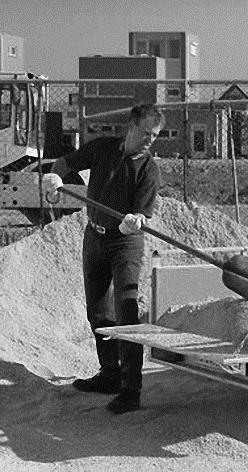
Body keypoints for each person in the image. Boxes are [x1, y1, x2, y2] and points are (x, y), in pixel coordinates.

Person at [43, 104, 164, 414]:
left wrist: (134, 219)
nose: (150, 140)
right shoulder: (102, 149)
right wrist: (53, 182)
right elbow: (63, 163)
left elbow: (141, 213)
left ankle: (131, 390)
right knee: (98, 311)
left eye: (155, 136)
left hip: (125, 242)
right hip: (94, 237)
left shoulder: (149, 169)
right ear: (131, 126)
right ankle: (109, 373)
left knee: (127, 312)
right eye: (145, 133)